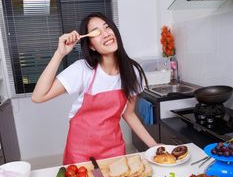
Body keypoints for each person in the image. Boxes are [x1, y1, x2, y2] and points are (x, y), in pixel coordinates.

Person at [32, 12, 158, 164]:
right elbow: (38, 96)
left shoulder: (132, 71)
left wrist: (154, 146)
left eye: (107, 27)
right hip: (80, 152)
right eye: (97, 32)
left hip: (114, 150)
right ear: (91, 45)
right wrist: (60, 53)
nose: (105, 34)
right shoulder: (83, 70)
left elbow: (129, 113)